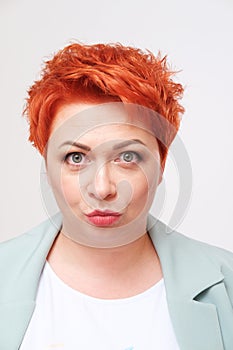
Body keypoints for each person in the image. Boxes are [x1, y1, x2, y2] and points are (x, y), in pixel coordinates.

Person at [0, 42, 232, 350]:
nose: (102, 188)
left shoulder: (226, 282)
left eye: (127, 157)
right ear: (47, 165)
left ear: (161, 164)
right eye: (76, 158)